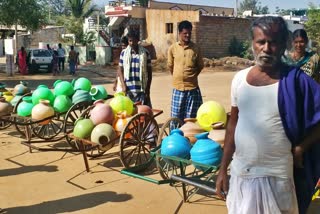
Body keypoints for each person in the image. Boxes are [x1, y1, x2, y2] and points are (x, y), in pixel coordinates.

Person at [215, 16, 320, 214]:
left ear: (283, 46)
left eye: (273, 42)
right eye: (261, 41)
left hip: (277, 178)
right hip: (241, 175)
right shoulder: (239, 80)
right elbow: (233, 124)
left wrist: (300, 148)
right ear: (253, 44)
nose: (266, 48)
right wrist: (223, 169)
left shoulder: (296, 81)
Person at [167, 20, 204, 122]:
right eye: (185, 33)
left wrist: (191, 77)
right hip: (177, 89)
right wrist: (177, 76)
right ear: (179, 33)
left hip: (192, 90)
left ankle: (189, 138)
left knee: (191, 119)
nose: (187, 35)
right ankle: (175, 138)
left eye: (189, 33)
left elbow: (200, 66)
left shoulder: (196, 49)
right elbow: (170, 66)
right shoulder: (172, 49)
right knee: (176, 118)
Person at [117, 30, 152, 107]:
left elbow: (149, 72)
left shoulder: (145, 53)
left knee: (143, 113)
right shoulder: (124, 53)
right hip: (129, 89)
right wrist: (123, 85)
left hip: (141, 89)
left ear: (138, 40)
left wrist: (148, 89)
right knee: (129, 113)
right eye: (130, 41)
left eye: (134, 40)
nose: (132, 43)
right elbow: (120, 70)